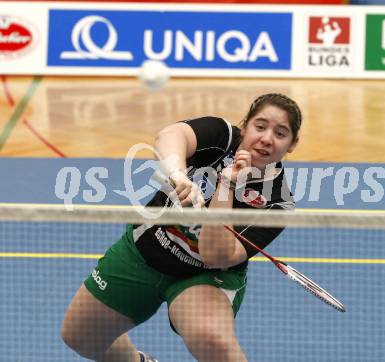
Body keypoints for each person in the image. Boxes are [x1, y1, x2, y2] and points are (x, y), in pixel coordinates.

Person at [61, 93, 302, 362]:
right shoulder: (220, 137)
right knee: (80, 336)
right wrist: (178, 175)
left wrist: (227, 185)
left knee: (212, 339)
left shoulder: (278, 203)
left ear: (292, 144)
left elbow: (216, 256)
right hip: (146, 251)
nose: (267, 138)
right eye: (260, 126)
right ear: (245, 125)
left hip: (206, 277)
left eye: (280, 133)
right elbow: (171, 135)